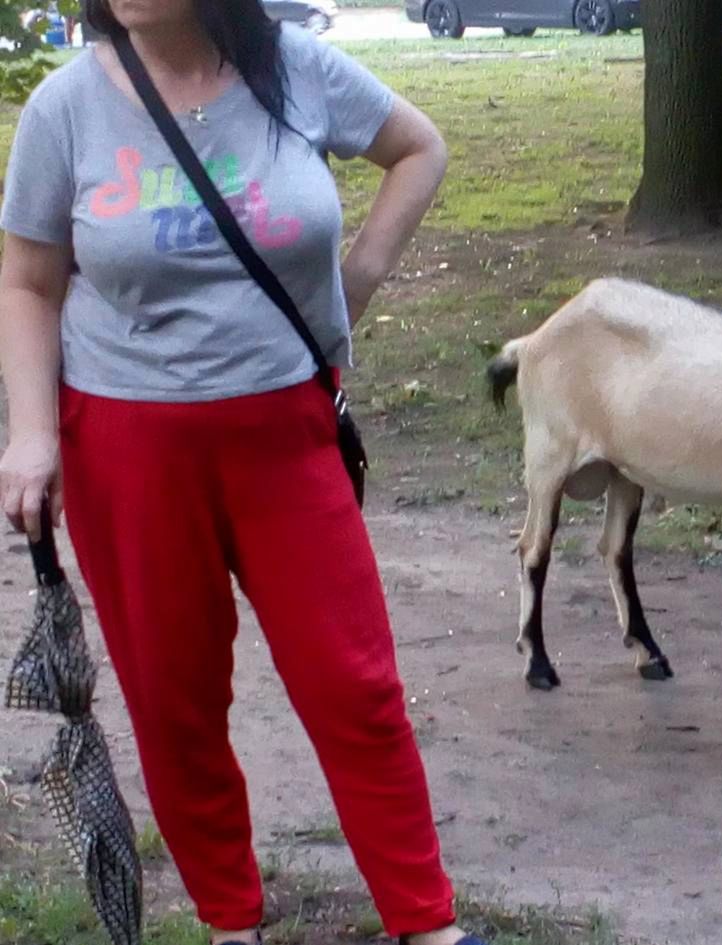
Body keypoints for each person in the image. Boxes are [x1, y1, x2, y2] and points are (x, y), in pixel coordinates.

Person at [0, 3, 485, 944]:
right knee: (174, 699)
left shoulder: (296, 68)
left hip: (286, 429)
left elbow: (419, 148)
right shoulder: (64, 109)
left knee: (355, 684)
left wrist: (359, 282)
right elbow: (27, 279)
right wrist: (30, 434)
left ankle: (425, 923)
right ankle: (232, 923)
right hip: (126, 446)